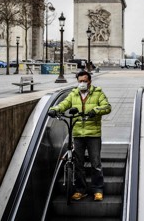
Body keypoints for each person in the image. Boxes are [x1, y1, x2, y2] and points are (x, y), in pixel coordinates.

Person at [48, 71, 111, 201]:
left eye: (85, 81)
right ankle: (80, 190)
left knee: (95, 163)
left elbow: (107, 107)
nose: (82, 83)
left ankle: (98, 190)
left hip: (93, 133)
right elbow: (64, 104)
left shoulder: (98, 93)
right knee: (78, 164)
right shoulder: (73, 94)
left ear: (90, 82)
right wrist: (55, 109)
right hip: (77, 133)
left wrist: (96, 111)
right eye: (80, 81)